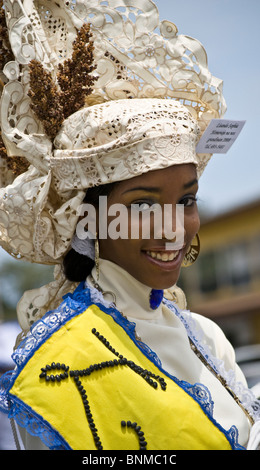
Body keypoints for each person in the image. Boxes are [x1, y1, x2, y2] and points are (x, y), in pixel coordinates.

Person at [0, 0, 259, 450]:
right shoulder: (57, 362)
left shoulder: (206, 336)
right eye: (142, 205)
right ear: (86, 216)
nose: (173, 227)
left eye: (187, 200)